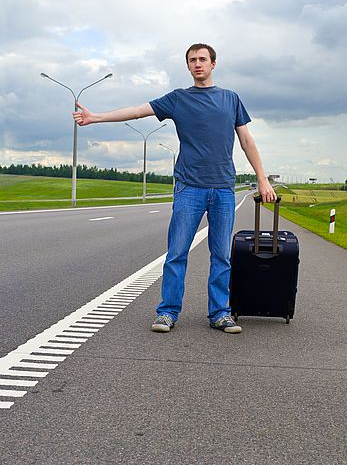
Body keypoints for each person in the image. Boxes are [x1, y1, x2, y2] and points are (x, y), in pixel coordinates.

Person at [73, 43, 277, 334]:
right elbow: (136, 111)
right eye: (192, 60)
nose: (197, 64)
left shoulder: (231, 99)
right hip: (189, 188)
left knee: (221, 256)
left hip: (222, 189)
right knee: (177, 253)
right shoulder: (179, 99)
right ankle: (167, 312)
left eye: (202, 59)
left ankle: (220, 313)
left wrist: (262, 177)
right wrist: (96, 117)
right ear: (188, 66)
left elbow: (246, 140)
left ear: (213, 64)